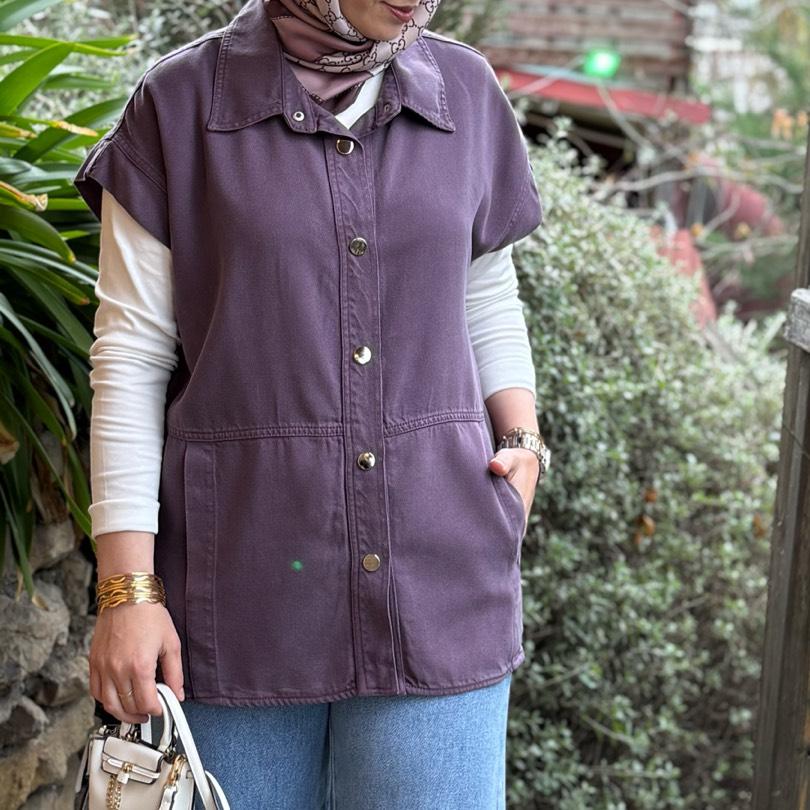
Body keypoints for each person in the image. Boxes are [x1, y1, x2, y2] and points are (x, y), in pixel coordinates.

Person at [73, 0, 550, 806]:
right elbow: (131, 358)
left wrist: (523, 442)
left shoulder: (464, 91)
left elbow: (484, 292)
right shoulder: (179, 103)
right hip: (235, 602)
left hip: (441, 580)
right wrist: (127, 592)